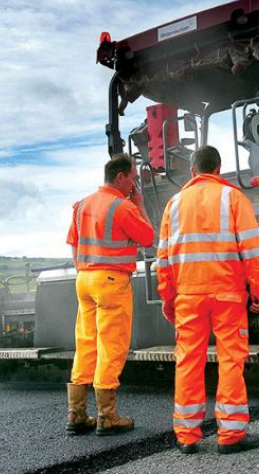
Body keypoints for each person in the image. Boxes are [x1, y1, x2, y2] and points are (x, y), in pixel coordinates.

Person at [156, 145, 259, 455]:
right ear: (218, 168)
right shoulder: (234, 198)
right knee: (231, 358)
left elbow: (163, 258)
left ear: (192, 171)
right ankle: (230, 435)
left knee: (188, 360)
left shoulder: (174, 204)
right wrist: (257, 290)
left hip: (188, 296)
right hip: (227, 294)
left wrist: (168, 297)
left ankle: (187, 435)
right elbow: (254, 250)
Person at [65, 154, 154, 436]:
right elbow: (149, 238)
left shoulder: (81, 205)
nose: (134, 185)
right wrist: (140, 206)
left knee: (86, 344)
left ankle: (76, 414)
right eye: (133, 179)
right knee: (111, 347)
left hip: (84, 279)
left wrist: (83, 268)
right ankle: (107, 416)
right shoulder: (124, 207)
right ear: (120, 178)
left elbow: (73, 244)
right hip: (111, 281)